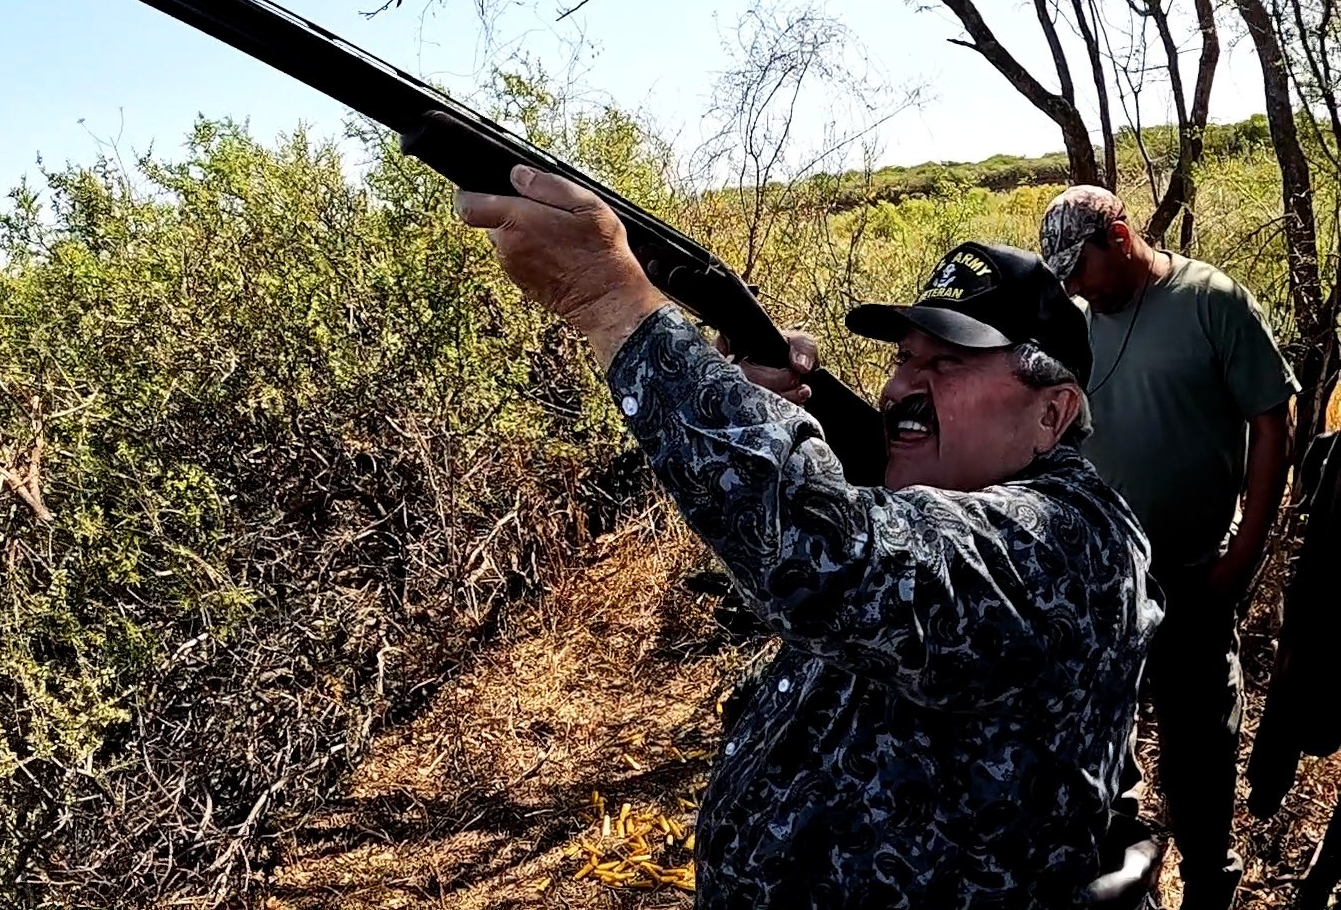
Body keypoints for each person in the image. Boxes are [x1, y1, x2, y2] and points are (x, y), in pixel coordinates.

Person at [456, 165, 1161, 907]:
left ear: (1052, 413)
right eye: (904, 358)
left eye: (947, 363)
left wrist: (611, 303)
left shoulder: (1073, 543)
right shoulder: (943, 497)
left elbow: (827, 554)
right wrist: (759, 404)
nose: (900, 388)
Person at [1039, 186, 1298, 910]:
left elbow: (1272, 423)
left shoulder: (1210, 300)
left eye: (1081, 266)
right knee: (1100, 741)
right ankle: (1118, 879)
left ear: (1120, 237)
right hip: (1102, 580)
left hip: (1191, 575)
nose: (1075, 285)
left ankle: (1210, 878)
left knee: (1199, 744)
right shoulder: (1076, 324)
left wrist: (1242, 557)